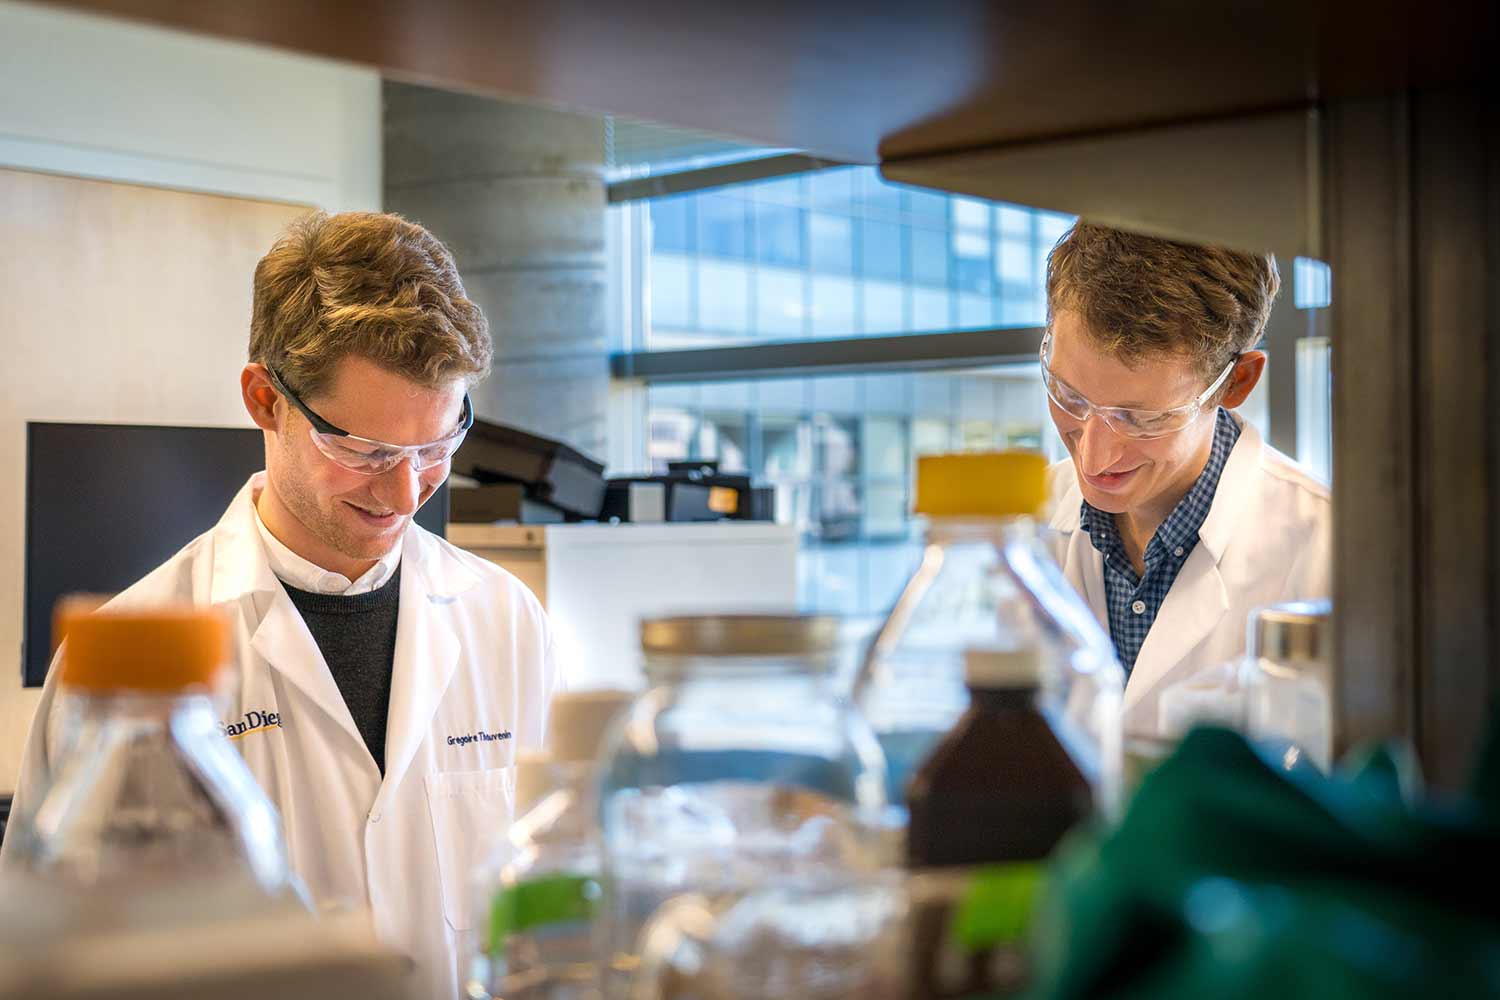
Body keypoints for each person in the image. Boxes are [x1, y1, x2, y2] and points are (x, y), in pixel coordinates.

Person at [4, 211, 563, 998]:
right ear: (266, 400)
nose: (407, 492)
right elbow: (51, 967)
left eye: (436, 447)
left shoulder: (505, 619)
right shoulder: (124, 657)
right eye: (365, 451)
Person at [1040, 222, 1330, 736]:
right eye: (1070, 396)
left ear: (1236, 383)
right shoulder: (1026, 524)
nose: (1093, 454)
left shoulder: (1328, 548)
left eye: (1142, 418)